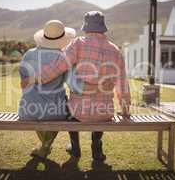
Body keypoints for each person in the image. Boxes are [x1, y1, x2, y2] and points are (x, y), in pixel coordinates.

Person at [32, 11, 131, 161]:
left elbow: (58, 66)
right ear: (103, 28)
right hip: (105, 113)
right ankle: (96, 147)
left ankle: (75, 147)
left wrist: (38, 78)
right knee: (100, 106)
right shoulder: (115, 50)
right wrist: (125, 109)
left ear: (86, 27)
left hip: (78, 112)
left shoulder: (78, 44)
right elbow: (122, 83)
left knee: (69, 106)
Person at [18, 20, 76, 159]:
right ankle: (45, 146)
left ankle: (45, 146)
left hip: (27, 110)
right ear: (63, 39)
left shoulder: (29, 54)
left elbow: (23, 83)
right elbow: (71, 84)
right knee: (60, 108)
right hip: (55, 111)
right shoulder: (63, 57)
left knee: (36, 107)